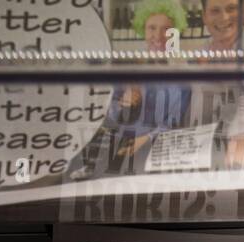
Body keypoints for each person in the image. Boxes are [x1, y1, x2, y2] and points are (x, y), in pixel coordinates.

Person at [66, 0, 191, 181]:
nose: (159, 35)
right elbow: (109, 115)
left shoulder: (184, 73)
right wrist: (123, 102)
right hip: (118, 149)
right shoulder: (130, 67)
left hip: (153, 151)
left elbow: (173, 121)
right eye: (152, 28)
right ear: (142, 30)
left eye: (166, 29)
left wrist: (145, 139)